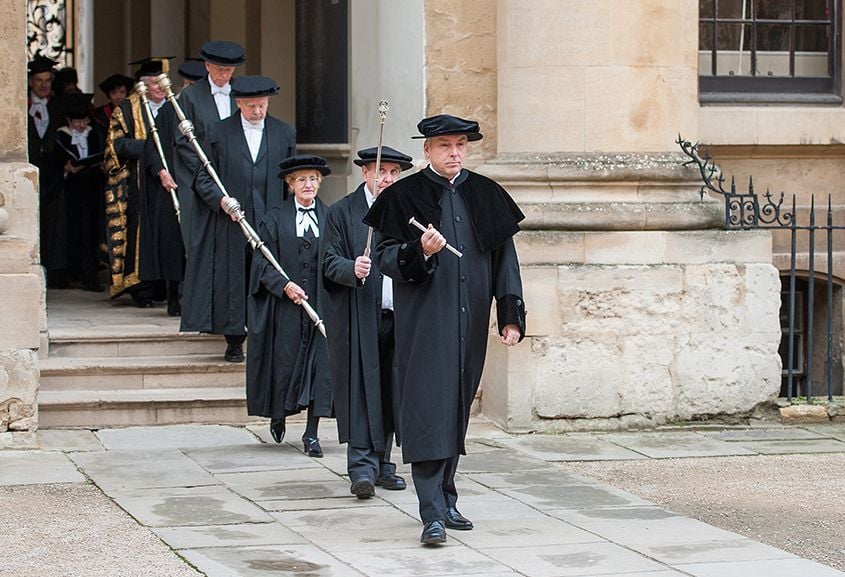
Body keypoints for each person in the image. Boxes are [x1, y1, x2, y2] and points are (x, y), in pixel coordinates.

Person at [363, 114, 526, 545]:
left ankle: (448, 497)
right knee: (427, 409)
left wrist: (510, 315)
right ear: (427, 151)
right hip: (424, 324)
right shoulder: (405, 196)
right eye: (444, 146)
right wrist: (419, 250)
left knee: (455, 407)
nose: (454, 152)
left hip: (469, 322)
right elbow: (384, 259)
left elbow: (504, 261)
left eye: (460, 145)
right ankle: (431, 511)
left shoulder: (487, 194)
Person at [323, 146, 413, 498]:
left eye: (393, 173)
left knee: (391, 392)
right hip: (359, 317)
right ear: (365, 173)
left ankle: (385, 463)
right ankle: (361, 467)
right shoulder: (343, 213)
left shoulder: (406, 211)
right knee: (361, 391)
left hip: (398, 315)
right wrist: (351, 268)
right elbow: (328, 261)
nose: (387, 179)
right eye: (381, 172)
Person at [186, 75, 296, 362]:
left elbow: (291, 180)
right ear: (238, 104)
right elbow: (202, 178)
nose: (257, 111)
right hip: (232, 221)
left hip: (269, 220)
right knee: (234, 279)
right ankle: (234, 339)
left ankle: (266, 337)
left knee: (267, 277)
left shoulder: (284, 133)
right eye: (250, 106)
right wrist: (222, 201)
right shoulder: (218, 132)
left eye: (261, 105)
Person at [247, 154, 332, 457]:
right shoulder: (274, 219)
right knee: (285, 364)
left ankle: (312, 433)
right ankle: (279, 413)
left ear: (319, 183)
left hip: (319, 306)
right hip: (285, 309)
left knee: (319, 367)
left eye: (312, 179)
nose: (307, 184)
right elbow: (261, 263)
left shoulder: (330, 218)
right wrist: (284, 285)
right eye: (301, 180)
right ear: (290, 184)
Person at [102, 57, 172, 306]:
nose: (160, 88)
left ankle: (166, 287)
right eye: (155, 83)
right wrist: (150, 148)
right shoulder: (128, 108)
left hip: (168, 183)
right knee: (139, 235)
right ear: (143, 84)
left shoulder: (175, 105)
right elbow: (116, 145)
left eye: (163, 82)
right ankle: (141, 288)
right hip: (137, 183)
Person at [172, 40, 245, 246]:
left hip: (235, 174)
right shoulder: (190, 96)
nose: (224, 75)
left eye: (229, 70)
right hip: (200, 178)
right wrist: (205, 171)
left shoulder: (242, 93)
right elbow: (182, 142)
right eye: (220, 70)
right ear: (207, 66)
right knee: (202, 240)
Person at [48, 92, 105, 292]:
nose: (80, 125)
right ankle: (64, 273)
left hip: (90, 189)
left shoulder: (95, 134)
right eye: (76, 121)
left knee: (89, 232)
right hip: (67, 191)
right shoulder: (60, 136)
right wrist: (65, 168)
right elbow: (51, 162)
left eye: (83, 120)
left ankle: (89, 275)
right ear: (69, 120)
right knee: (65, 231)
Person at [139, 74, 184, 316]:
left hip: (197, 186)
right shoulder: (167, 112)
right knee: (172, 244)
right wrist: (160, 171)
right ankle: (172, 296)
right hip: (172, 184)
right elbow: (152, 146)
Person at [27, 55, 66, 287]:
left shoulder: (58, 106)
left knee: (55, 224)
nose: (43, 85)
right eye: (39, 80)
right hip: (30, 170)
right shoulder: (21, 104)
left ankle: (55, 270)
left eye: (47, 80)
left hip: (54, 173)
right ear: (31, 81)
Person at [93, 73, 135, 148]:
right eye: (113, 93)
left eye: (122, 92)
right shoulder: (101, 114)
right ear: (108, 95)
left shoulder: (135, 111)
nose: (118, 97)